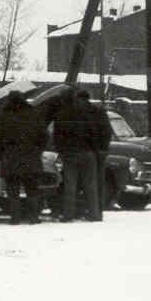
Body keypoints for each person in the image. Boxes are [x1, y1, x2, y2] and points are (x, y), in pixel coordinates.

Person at [0, 91, 49, 224]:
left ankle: (15, 218)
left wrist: (1, 155)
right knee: (32, 189)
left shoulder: (3, 115)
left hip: (11, 156)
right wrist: (38, 151)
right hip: (31, 156)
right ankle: (34, 217)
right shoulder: (33, 114)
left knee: (12, 190)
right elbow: (44, 136)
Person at [52, 89, 101, 222]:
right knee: (90, 185)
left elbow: (57, 137)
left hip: (70, 154)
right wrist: (94, 149)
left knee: (70, 186)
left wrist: (61, 151)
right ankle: (94, 214)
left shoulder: (62, 114)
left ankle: (68, 214)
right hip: (88, 153)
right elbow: (94, 133)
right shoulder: (87, 113)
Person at [84, 90, 112, 220]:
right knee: (99, 182)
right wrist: (104, 148)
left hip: (90, 150)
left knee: (90, 182)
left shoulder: (83, 113)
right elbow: (107, 130)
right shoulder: (100, 111)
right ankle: (99, 210)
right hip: (101, 150)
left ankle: (92, 210)